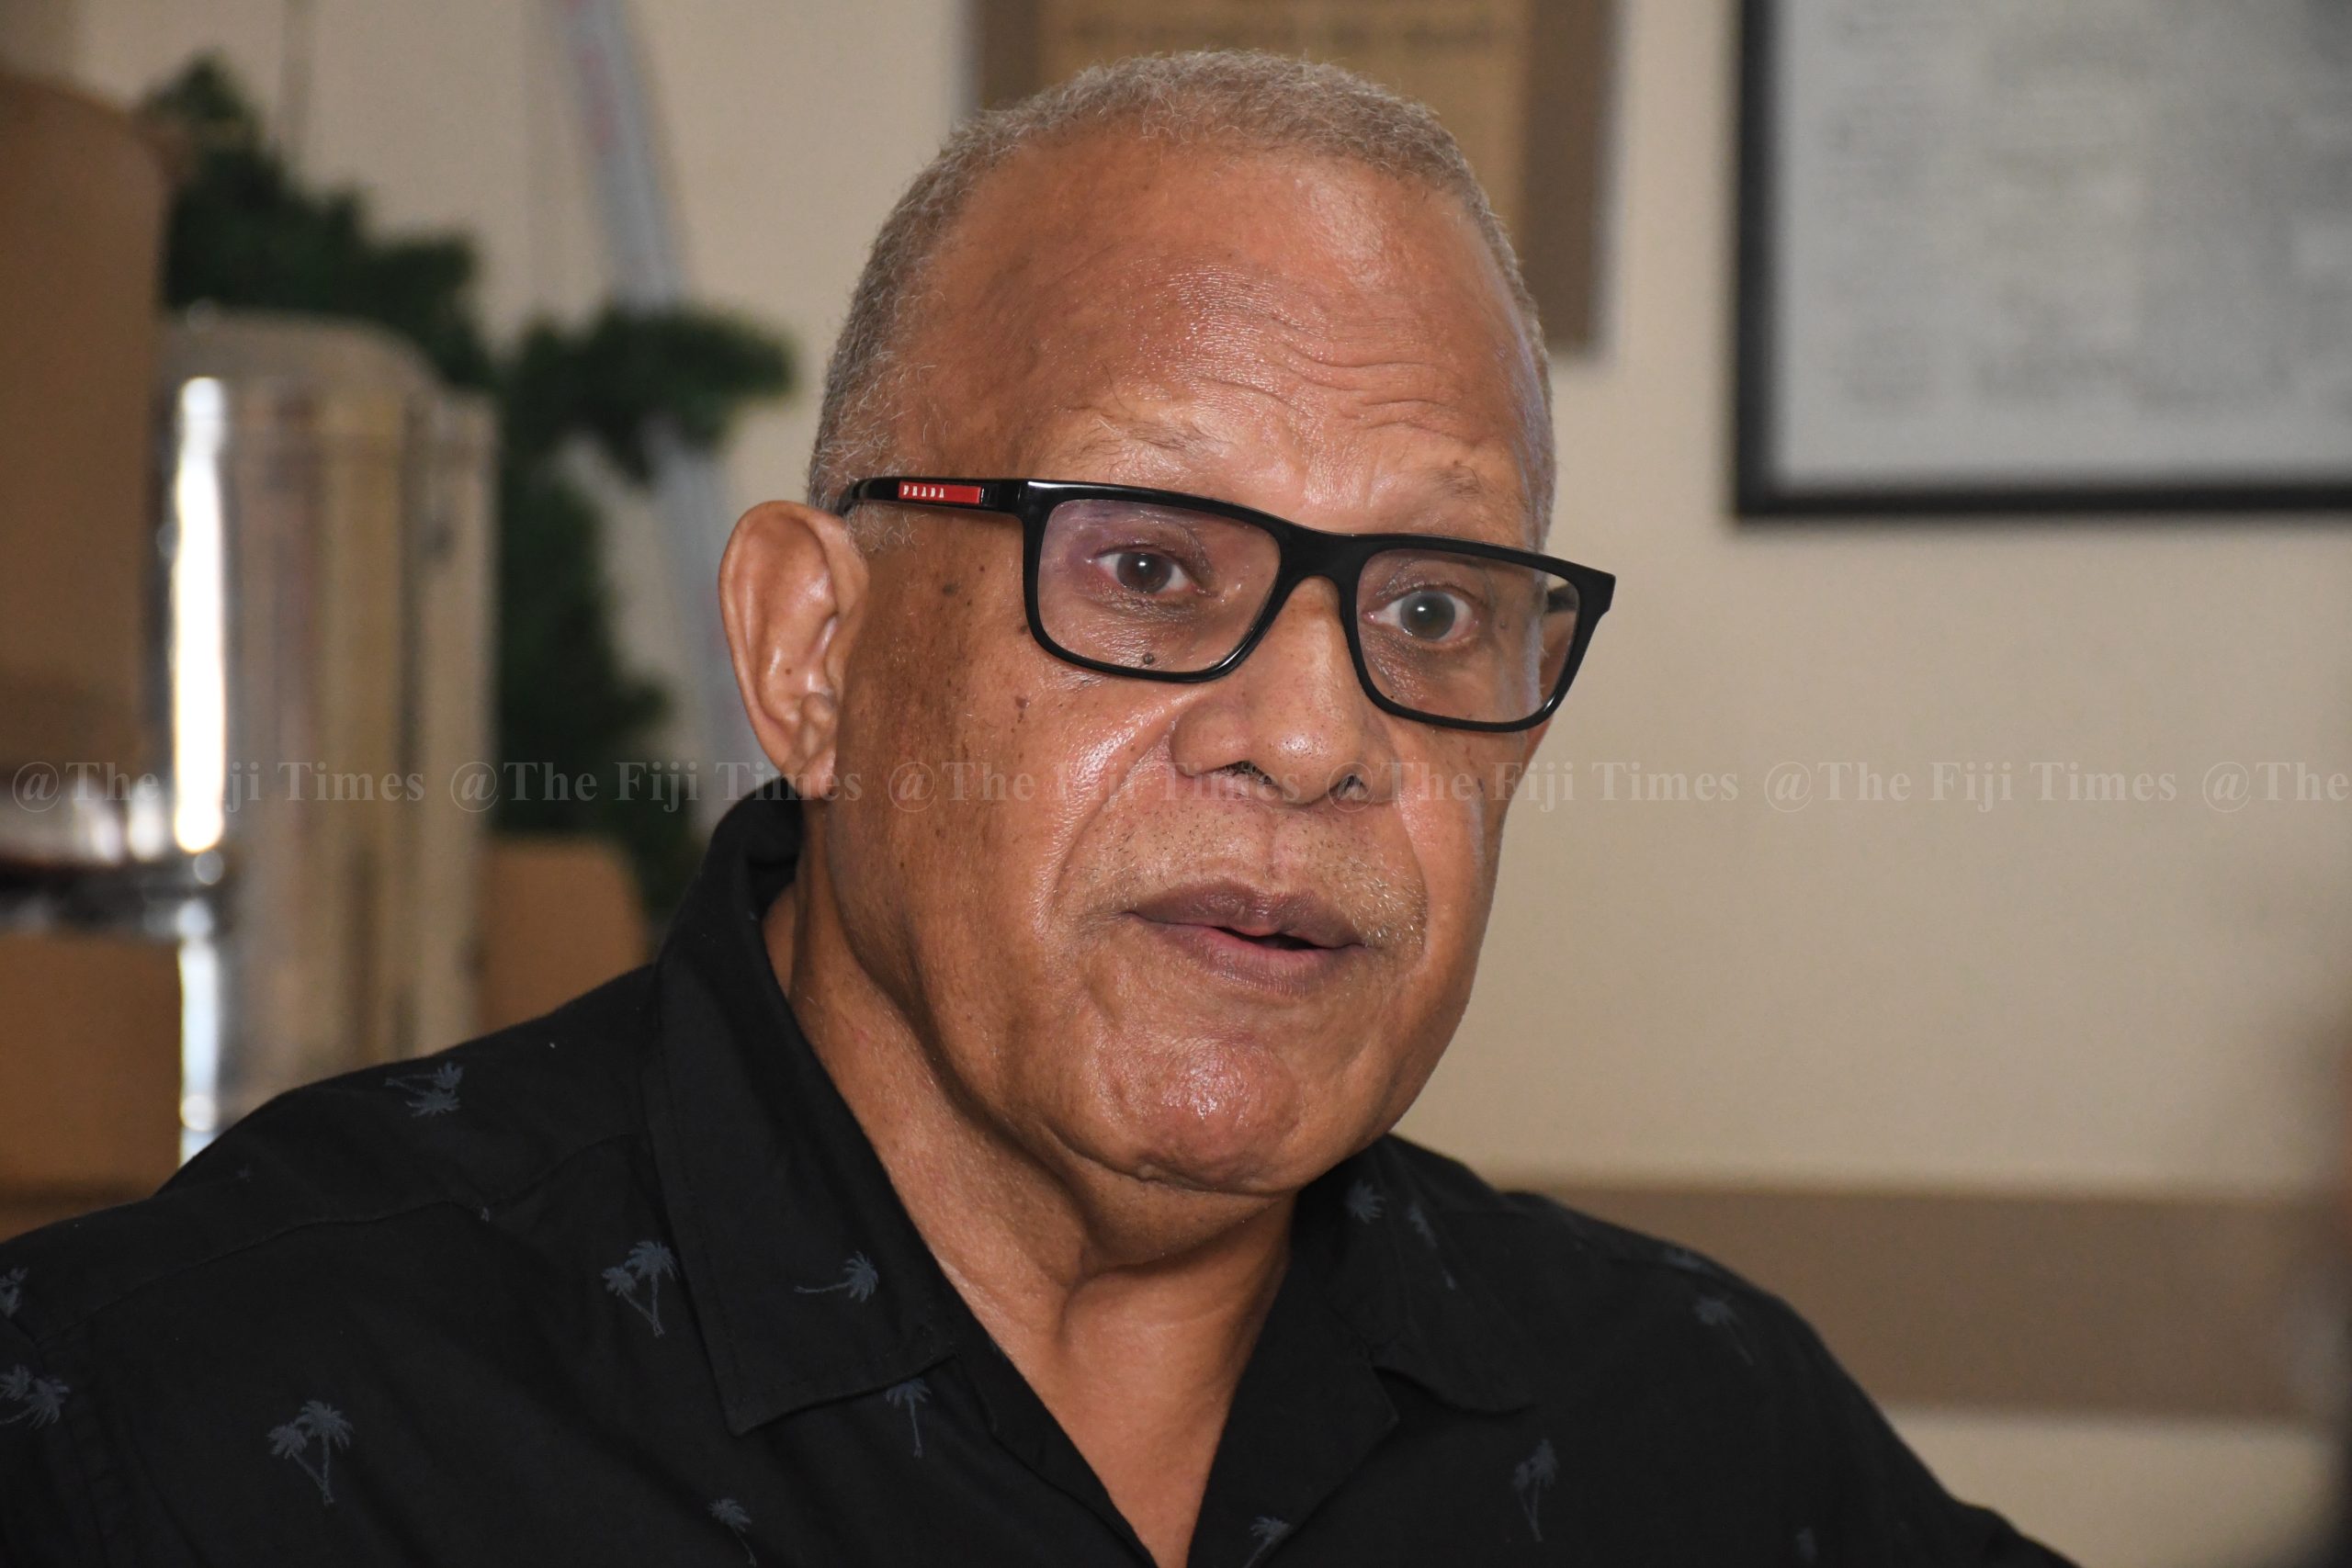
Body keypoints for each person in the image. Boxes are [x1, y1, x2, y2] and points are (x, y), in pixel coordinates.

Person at [0, 51, 2074, 1566]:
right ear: (811, 652)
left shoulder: (1695, 1430)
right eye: (1148, 565)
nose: (1310, 736)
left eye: (1432, 609)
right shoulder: (202, 1418)